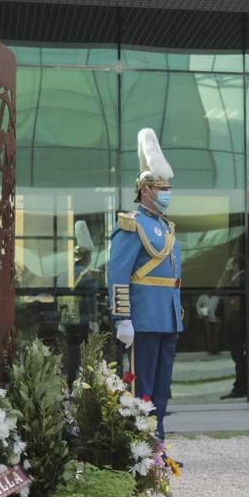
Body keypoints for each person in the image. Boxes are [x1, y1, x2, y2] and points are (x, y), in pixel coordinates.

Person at [107, 128, 181, 439]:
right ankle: (138, 442)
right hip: (144, 318)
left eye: (167, 186)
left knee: (162, 388)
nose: (166, 191)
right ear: (145, 190)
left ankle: (157, 440)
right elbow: (117, 273)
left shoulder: (166, 227)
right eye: (160, 186)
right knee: (142, 387)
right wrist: (123, 317)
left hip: (168, 318)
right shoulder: (131, 224)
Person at [62, 220, 103, 385]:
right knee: (85, 354)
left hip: (67, 319)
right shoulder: (89, 274)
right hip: (84, 319)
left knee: (71, 352)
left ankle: (71, 381)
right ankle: (83, 383)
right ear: (86, 257)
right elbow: (91, 298)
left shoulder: (64, 274)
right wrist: (93, 319)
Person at [214, 253, 249, 400]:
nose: (227, 266)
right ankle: (240, 387)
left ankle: (240, 388)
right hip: (234, 325)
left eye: (230, 264)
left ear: (235, 265)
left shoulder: (240, 279)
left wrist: (226, 271)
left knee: (239, 358)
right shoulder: (236, 279)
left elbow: (220, 289)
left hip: (236, 326)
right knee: (238, 358)